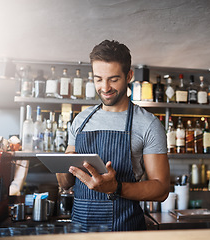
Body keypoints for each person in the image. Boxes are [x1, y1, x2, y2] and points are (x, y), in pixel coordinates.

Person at [56, 40, 170, 231]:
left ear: (129, 76)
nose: (105, 87)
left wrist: (115, 188)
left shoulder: (148, 124)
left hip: (125, 228)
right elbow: (65, 183)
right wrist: (63, 167)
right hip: (80, 230)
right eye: (98, 79)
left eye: (114, 79)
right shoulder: (81, 120)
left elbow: (161, 189)